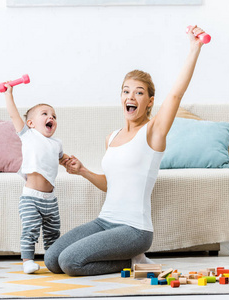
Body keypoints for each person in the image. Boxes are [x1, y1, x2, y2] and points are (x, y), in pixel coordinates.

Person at [44, 26, 206, 276]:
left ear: (149, 101)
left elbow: (175, 94)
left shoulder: (153, 132)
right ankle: (130, 260)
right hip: (104, 222)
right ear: (121, 97)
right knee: (52, 260)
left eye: (139, 93)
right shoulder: (111, 137)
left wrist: (194, 48)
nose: (132, 96)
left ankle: (133, 261)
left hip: (134, 230)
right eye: (127, 91)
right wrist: (84, 171)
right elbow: (112, 184)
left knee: (70, 262)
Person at [4, 83, 69, 274]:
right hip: (31, 198)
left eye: (54, 116)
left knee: (52, 233)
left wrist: (69, 161)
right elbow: (13, 115)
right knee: (30, 230)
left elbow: (61, 159)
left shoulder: (57, 143)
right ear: (31, 123)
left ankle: (52, 260)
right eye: (45, 114)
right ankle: (27, 261)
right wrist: (9, 94)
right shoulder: (28, 136)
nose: (51, 117)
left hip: (50, 200)